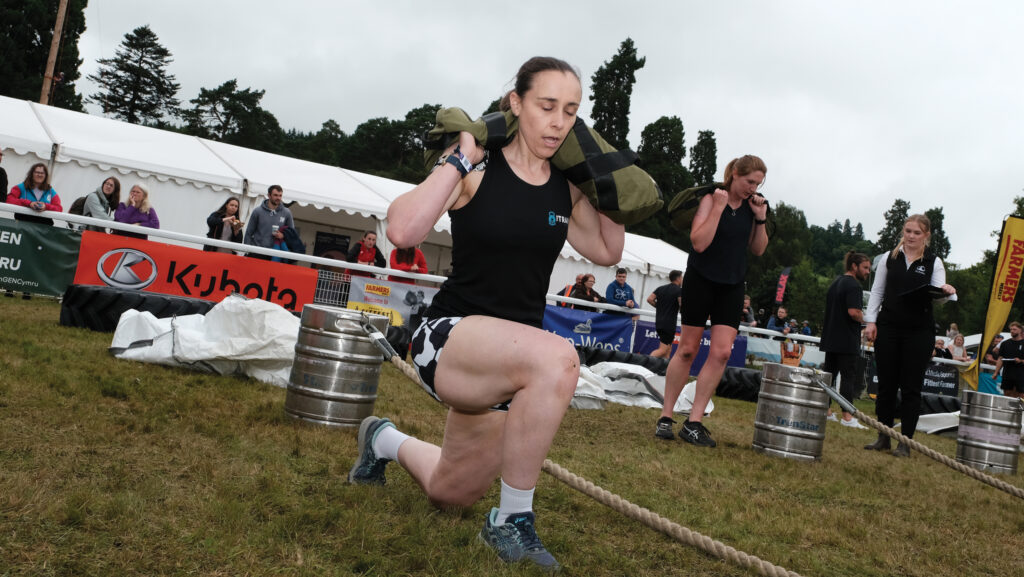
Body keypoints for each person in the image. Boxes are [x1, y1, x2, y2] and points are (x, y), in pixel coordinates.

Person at [348, 57, 624, 571]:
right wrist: (459, 158)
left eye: (570, 111)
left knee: (450, 491)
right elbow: (403, 231)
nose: (559, 121)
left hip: (510, 363)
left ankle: (381, 439)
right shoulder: (476, 168)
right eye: (547, 106)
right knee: (559, 359)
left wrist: (599, 181)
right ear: (517, 104)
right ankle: (511, 521)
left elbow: (608, 249)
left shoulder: (564, 188)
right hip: (447, 338)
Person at [655, 155, 769, 446]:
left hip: (732, 285)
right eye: (749, 181)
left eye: (758, 183)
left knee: (721, 353)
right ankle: (666, 416)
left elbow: (758, 250)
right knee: (687, 350)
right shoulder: (710, 198)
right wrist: (718, 207)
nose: (752, 188)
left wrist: (760, 218)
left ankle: (694, 422)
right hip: (700, 280)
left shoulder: (753, 206)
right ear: (733, 175)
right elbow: (699, 242)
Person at [863, 214, 956, 457]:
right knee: (886, 385)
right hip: (889, 327)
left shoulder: (934, 262)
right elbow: (877, 291)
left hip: (919, 331)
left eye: (916, 233)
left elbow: (939, 296)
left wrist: (946, 292)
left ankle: (906, 442)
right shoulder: (889, 258)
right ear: (902, 232)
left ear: (926, 235)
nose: (911, 236)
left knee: (911, 388)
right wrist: (870, 322)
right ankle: (883, 436)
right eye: (907, 231)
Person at [821, 251, 871, 429]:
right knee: (848, 378)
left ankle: (825, 411)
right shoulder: (854, 286)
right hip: (846, 339)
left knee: (829, 376)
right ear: (854, 266)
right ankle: (847, 416)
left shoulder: (835, 283)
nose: (868, 272)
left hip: (831, 337)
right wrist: (868, 320)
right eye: (865, 267)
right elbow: (854, 312)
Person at [244, 184, 294, 260]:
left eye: (280, 195)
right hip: (257, 252)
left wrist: (283, 235)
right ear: (269, 195)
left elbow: (291, 233)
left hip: (276, 254)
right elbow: (249, 233)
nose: (278, 198)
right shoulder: (258, 211)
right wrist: (248, 250)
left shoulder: (287, 212)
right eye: (275, 195)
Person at [646, 270, 683, 359]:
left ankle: (664, 371)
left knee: (668, 349)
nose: (682, 280)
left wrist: (660, 307)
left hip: (659, 322)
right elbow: (682, 304)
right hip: (669, 324)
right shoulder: (679, 290)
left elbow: (650, 299)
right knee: (662, 350)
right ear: (678, 278)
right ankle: (644, 364)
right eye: (682, 278)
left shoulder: (660, 288)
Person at [994, 322, 1024, 398]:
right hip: (1007, 374)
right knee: (1007, 394)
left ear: (1020, 330)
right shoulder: (1005, 344)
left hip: (1021, 374)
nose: (1012, 331)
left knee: (1020, 396)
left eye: (1014, 329)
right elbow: (1000, 359)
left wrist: (1020, 361)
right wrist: (996, 372)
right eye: (1011, 329)